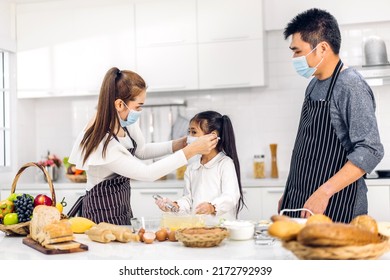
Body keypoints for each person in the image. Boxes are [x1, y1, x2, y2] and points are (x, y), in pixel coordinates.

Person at [68, 67, 218, 225]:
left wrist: (178, 144)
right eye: (138, 106)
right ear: (119, 104)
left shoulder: (122, 120)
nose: (139, 111)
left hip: (121, 207)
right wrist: (191, 151)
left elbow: (142, 150)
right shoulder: (102, 142)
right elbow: (147, 173)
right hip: (100, 212)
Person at [279, 8, 384, 223]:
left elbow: (371, 150)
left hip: (337, 206)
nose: (294, 57)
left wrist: (325, 192)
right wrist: (290, 191)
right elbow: (308, 147)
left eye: (297, 51)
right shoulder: (313, 85)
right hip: (302, 203)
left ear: (323, 48)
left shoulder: (350, 85)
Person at [155, 111, 245, 220]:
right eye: (189, 132)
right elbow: (188, 199)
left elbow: (231, 196)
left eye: (194, 132)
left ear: (212, 136)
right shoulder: (192, 168)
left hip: (222, 228)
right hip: (199, 229)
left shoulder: (225, 163)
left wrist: (212, 207)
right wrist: (176, 206)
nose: (189, 137)